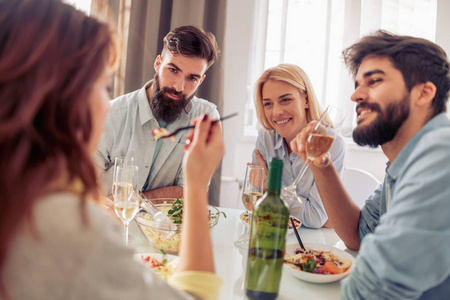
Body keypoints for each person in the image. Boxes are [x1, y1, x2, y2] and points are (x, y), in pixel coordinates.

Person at [0, 1, 224, 299]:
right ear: (60, 96)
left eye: (192, 78)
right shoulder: (69, 227)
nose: (106, 107)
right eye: (102, 86)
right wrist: (196, 185)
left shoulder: (22, 194)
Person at [291, 30, 450, 299]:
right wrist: (321, 164)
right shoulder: (401, 165)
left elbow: (375, 287)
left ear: (424, 93)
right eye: (356, 85)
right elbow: (358, 233)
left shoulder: (440, 153)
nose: (355, 96)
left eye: (374, 81)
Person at [95, 24, 220, 199]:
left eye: (192, 78)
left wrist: (136, 201)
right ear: (158, 63)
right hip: (109, 222)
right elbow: (82, 182)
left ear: (201, 81)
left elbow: (192, 190)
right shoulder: (111, 114)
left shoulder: (206, 119)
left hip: (168, 226)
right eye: (173, 70)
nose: (179, 86)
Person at [250, 64, 345, 228]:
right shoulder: (265, 139)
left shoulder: (331, 143)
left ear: (306, 100)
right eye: (268, 104)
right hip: (272, 233)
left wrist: (271, 188)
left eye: (285, 100)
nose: (276, 112)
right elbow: (256, 206)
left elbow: (315, 218)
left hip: (313, 246)